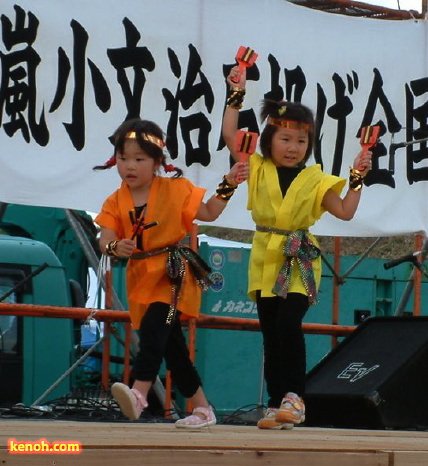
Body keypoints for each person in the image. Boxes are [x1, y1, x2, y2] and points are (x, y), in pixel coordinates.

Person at [221, 65, 372, 430]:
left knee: (289, 322)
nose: (293, 148)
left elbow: (346, 213)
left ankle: (295, 397)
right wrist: (236, 93)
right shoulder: (255, 166)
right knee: (271, 334)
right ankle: (276, 403)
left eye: (301, 141)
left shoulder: (317, 178)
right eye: (285, 139)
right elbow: (229, 132)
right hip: (265, 256)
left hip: (300, 254)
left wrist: (357, 177)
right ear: (269, 139)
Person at [94, 118, 248, 429]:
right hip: (140, 277)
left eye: (139, 159)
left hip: (172, 277)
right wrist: (114, 247)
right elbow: (104, 237)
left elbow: (208, 212)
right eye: (123, 159)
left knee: (156, 325)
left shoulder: (175, 190)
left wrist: (229, 182)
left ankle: (139, 392)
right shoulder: (115, 200)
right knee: (172, 347)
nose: (130, 166)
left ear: (157, 162)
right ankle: (203, 409)